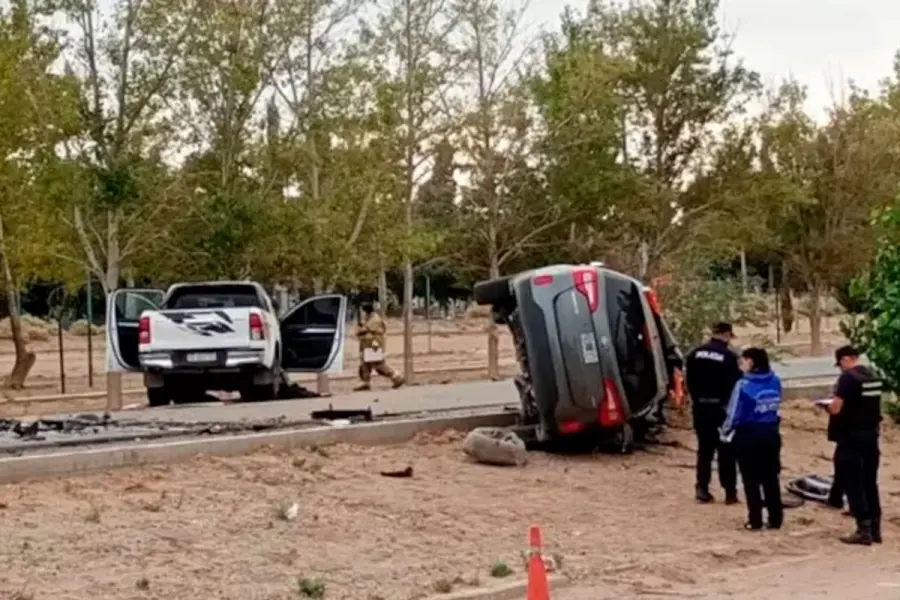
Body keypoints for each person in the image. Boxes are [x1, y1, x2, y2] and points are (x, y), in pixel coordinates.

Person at [720, 347, 784, 531]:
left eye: (744, 360)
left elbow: (733, 414)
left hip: (748, 435)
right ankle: (775, 518)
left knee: (751, 479)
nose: (741, 364)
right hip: (771, 433)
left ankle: (755, 520)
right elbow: (777, 406)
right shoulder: (775, 381)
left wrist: (724, 433)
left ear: (752, 362)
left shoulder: (743, 385)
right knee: (771, 477)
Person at [827, 345, 883, 545]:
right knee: (870, 482)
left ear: (844, 360)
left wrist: (827, 406)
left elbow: (836, 407)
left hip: (851, 437)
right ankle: (876, 529)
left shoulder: (848, 378)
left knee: (854, 482)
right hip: (871, 435)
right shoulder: (873, 376)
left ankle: (863, 529)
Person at [684, 322, 741, 504]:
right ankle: (730, 493)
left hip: (700, 408)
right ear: (725, 335)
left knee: (704, 451)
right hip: (721, 410)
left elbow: (688, 381)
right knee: (726, 451)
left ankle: (701, 489)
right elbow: (736, 385)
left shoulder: (694, 354)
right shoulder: (729, 357)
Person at [353, 302, 404, 391]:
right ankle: (365, 382)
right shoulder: (368, 318)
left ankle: (396, 377)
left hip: (373, 344)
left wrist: (359, 329)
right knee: (365, 364)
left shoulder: (374, 319)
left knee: (378, 364)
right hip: (366, 344)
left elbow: (363, 330)